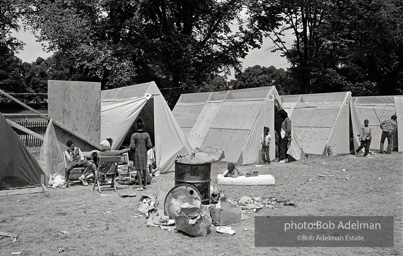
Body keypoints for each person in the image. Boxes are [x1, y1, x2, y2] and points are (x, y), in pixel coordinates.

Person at [130, 119, 153, 190]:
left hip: (137, 153)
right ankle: (145, 184)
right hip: (144, 153)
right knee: (144, 169)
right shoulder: (146, 135)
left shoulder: (134, 135)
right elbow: (150, 145)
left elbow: (132, 146)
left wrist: (132, 150)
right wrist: (145, 149)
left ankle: (140, 185)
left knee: (138, 169)